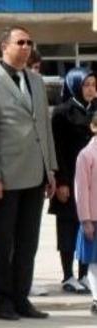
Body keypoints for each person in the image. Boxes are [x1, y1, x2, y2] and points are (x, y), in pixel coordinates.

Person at [0, 25, 57, 321]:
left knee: (27, 242)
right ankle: (1, 300)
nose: (26, 46)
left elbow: (43, 128)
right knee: (3, 242)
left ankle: (21, 298)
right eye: (20, 42)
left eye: (29, 42)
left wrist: (51, 170)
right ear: (3, 47)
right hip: (5, 179)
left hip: (34, 175)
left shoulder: (35, 80)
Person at [51, 68, 96, 294]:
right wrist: (61, 181)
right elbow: (57, 149)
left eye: (93, 85)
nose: (90, 89)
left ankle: (85, 274)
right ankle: (68, 275)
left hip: (93, 181)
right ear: (75, 85)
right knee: (68, 227)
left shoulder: (95, 110)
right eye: (86, 84)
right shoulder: (62, 113)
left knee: (89, 226)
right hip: (69, 178)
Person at [74, 112, 97, 315]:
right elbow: (81, 190)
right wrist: (86, 219)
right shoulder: (86, 155)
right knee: (94, 261)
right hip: (93, 218)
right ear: (93, 127)